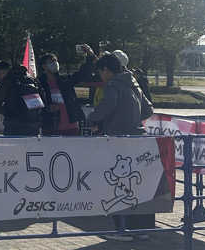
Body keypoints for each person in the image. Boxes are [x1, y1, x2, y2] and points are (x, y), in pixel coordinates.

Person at [88, 52, 155, 239]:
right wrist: (132, 119)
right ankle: (142, 230)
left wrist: (92, 118)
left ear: (106, 70)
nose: (101, 77)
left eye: (100, 72)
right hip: (139, 139)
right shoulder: (133, 83)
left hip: (118, 140)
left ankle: (122, 229)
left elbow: (107, 106)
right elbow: (149, 109)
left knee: (118, 184)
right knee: (138, 186)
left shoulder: (113, 85)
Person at [37, 52, 82, 136]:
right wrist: (47, 108)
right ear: (44, 66)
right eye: (51, 62)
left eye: (55, 61)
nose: (54, 63)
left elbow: (82, 74)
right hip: (50, 127)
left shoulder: (65, 80)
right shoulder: (39, 83)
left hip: (71, 126)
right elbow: (36, 105)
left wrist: (90, 57)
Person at [0, 64, 44, 137]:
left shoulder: (8, 80)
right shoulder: (33, 81)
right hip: (32, 124)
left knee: (11, 147)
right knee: (32, 148)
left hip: (12, 124)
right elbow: (42, 101)